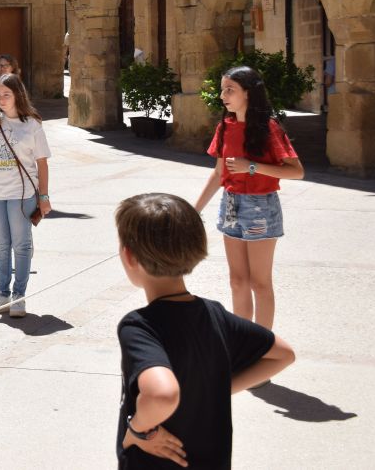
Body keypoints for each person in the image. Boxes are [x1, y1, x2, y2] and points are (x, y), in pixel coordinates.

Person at [114, 193, 295, 468]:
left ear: (128, 256)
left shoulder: (139, 327)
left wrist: (138, 430)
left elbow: (162, 394)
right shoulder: (215, 314)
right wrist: (218, 388)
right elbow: (282, 355)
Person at [194, 66, 302, 331]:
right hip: (230, 204)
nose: (222, 96)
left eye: (229, 90)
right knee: (237, 281)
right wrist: (194, 209)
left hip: (261, 207)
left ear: (249, 93)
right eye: (222, 90)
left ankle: (262, 347)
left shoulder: (270, 128)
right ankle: (243, 343)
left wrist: (251, 167)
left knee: (260, 283)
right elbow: (219, 172)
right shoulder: (225, 127)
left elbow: (297, 171)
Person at [0, 73, 52, 318]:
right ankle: (2, 296)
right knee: (1, 245)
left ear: (17, 95)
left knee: (21, 245)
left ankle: (19, 296)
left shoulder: (32, 124)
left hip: (22, 194)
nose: (1, 99)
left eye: (6, 95)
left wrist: (44, 197)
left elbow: (42, 163)